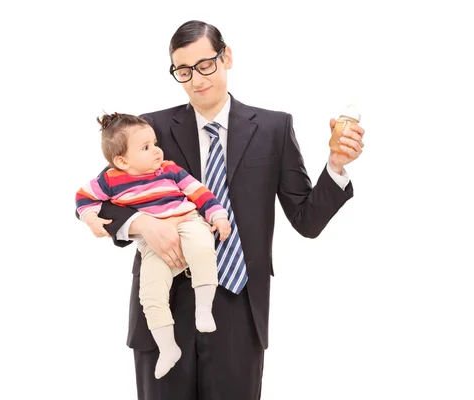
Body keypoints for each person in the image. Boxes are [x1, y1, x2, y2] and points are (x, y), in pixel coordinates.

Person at [82, 20, 365, 400]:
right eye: (183, 70)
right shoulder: (151, 130)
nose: (196, 79)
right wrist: (140, 223)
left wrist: (335, 166)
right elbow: (97, 199)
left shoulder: (273, 128)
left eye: (205, 65)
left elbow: (307, 220)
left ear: (226, 57)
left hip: (238, 304)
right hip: (164, 301)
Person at [75, 112, 232, 379]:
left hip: (188, 221)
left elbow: (199, 192)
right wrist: (91, 218)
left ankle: (204, 309)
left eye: (155, 143)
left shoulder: (170, 169)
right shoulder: (112, 180)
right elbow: (83, 197)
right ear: (122, 161)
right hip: (152, 242)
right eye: (146, 148)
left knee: (202, 248)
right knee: (150, 293)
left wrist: (218, 215)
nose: (157, 151)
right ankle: (168, 347)